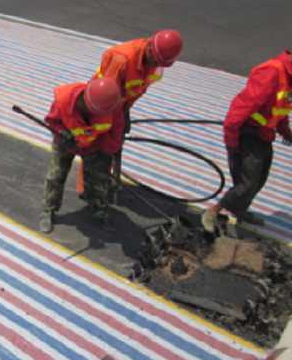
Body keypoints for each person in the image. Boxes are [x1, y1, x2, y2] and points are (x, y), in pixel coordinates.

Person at [75, 29, 183, 194]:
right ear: (149, 49)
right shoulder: (122, 60)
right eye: (157, 61)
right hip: (102, 104)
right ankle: (88, 187)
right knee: (99, 144)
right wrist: (112, 122)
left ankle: (103, 178)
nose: (157, 65)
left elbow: (139, 88)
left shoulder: (155, 62)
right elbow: (106, 96)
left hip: (121, 105)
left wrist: (126, 112)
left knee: (114, 143)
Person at [201, 50, 292, 232]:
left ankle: (239, 209)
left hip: (264, 134)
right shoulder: (272, 73)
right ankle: (213, 211)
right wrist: (231, 139)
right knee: (247, 182)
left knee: (260, 177)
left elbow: (282, 105)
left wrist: (284, 130)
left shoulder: (289, 77)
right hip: (247, 132)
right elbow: (240, 108)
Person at [39, 77, 124, 234]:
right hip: (65, 144)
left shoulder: (112, 105)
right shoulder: (64, 99)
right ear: (86, 101)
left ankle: (100, 212)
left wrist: (107, 154)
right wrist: (62, 133)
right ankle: (48, 212)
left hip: (94, 145)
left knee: (98, 180)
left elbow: (116, 131)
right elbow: (52, 121)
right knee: (56, 176)